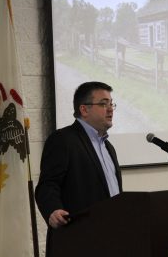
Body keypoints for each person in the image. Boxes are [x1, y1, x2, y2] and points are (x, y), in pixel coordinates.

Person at [35, 81, 123, 254]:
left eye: (111, 103)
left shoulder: (108, 148)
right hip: (77, 240)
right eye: (103, 104)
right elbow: (47, 184)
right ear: (84, 109)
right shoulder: (63, 140)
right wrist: (53, 210)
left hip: (110, 239)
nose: (110, 109)